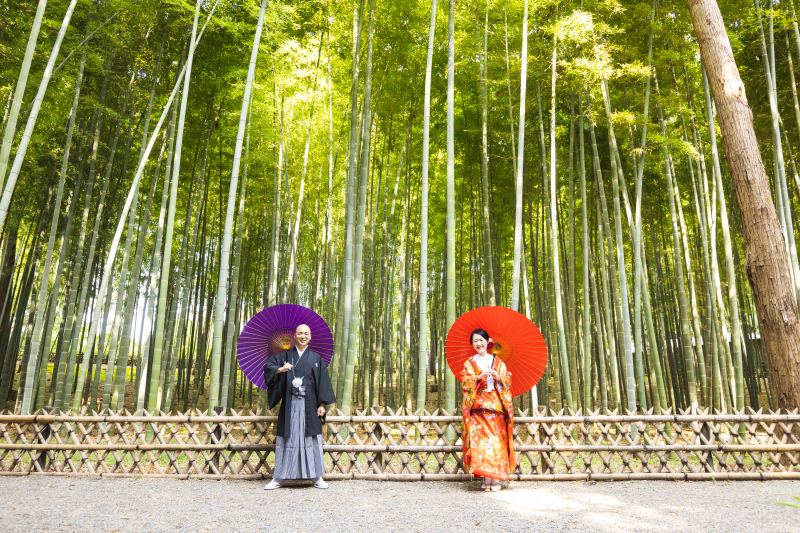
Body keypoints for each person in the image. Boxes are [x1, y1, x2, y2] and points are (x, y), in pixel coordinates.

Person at [263, 324, 336, 490]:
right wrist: (281, 369)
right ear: (294, 336)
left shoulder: (316, 359)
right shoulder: (285, 356)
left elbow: (323, 382)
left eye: (306, 333)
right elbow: (268, 367)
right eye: (300, 333)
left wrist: (322, 404)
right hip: (290, 405)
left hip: (310, 406)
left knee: (312, 439)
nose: (303, 336)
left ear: (310, 337)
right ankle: (279, 478)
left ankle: (316, 477)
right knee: (286, 438)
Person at [460, 328, 516, 491]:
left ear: (487, 341)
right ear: (472, 344)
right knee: (481, 445)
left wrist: (499, 378)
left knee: (496, 443)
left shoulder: (498, 362)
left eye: (481, 340)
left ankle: (496, 481)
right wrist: (477, 377)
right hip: (477, 408)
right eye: (475, 341)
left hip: (496, 407)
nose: (478, 343)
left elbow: (508, 381)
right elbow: (465, 381)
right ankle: (486, 479)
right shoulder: (470, 362)